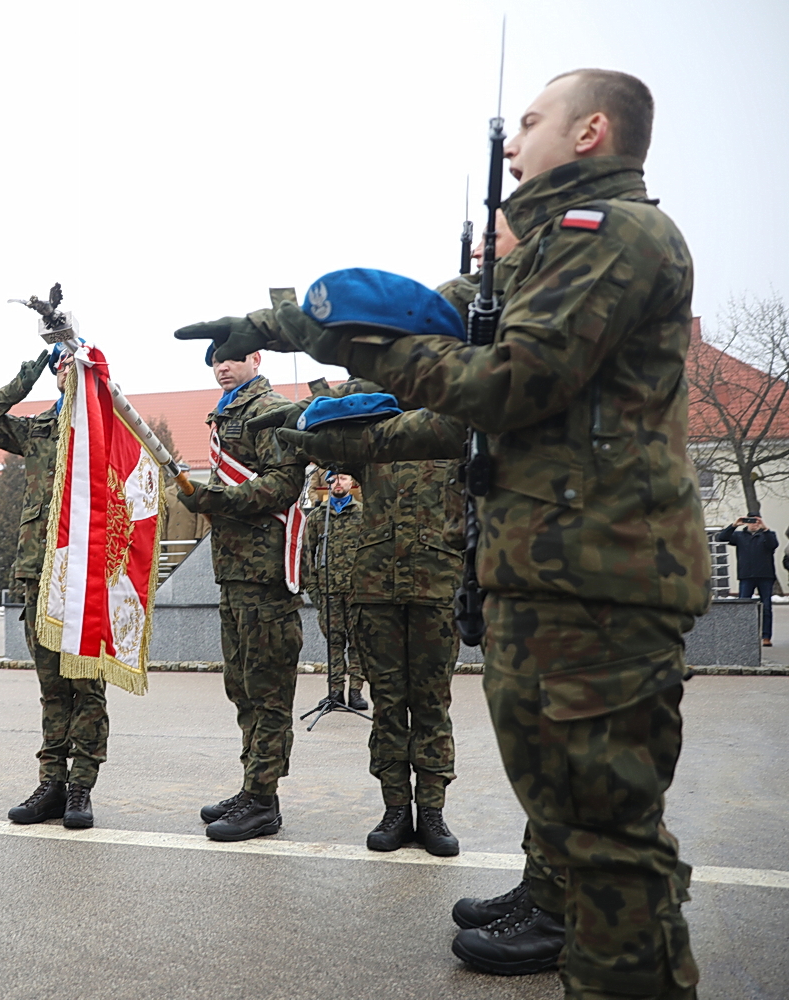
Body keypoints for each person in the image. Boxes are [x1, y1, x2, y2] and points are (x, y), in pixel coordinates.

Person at [193, 68, 706, 998]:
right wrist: (277, 325)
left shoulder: (615, 237)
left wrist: (356, 363)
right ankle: (554, 906)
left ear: (592, 131)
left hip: (600, 574)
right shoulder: (549, 247)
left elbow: (505, 382)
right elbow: (417, 307)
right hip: (547, 566)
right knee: (564, 800)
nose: (514, 145)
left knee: (610, 841)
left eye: (535, 122)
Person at [303, 381, 466, 858]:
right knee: (389, 703)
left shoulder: (454, 430)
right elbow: (323, 429)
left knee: (432, 704)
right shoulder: (375, 434)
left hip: (436, 589)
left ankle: (432, 812)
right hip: (375, 592)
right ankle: (396, 808)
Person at [0, 345, 107, 828]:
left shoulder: (107, 426)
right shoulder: (39, 428)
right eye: (60, 363)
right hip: (37, 571)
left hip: (86, 573)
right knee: (51, 688)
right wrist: (27, 374)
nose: (66, 370)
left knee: (86, 685)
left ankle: (81, 788)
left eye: (74, 362)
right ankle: (52, 782)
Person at [179, 348, 308, 842]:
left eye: (233, 358)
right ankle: (253, 786)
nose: (222, 367)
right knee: (243, 687)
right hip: (234, 573)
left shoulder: (270, 409)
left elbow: (282, 485)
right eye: (215, 362)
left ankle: (263, 801)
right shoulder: (228, 413)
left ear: (256, 358)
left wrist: (217, 499)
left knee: (268, 689)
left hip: (264, 576)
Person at [301, 470, 367, 710]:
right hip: (328, 591)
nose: (338, 483)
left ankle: (356, 691)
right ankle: (335, 690)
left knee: (357, 642)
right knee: (334, 643)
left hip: (356, 590)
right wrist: (313, 589)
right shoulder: (319, 516)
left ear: (352, 482)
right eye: (334, 479)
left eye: (343, 478)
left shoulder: (363, 514)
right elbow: (307, 555)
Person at [717, 513, 777, 646]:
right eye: (751, 521)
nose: (754, 524)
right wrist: (734, 525)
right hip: (746, 576)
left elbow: (773, 545)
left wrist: (765, 528)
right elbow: (722, 538)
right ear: (746, 522)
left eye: (756, 521)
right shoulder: (739, 536)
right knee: (743, 606)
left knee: (766, 607)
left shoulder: (767, 535)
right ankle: (744, 635)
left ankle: (766, 637)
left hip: (765, 576)